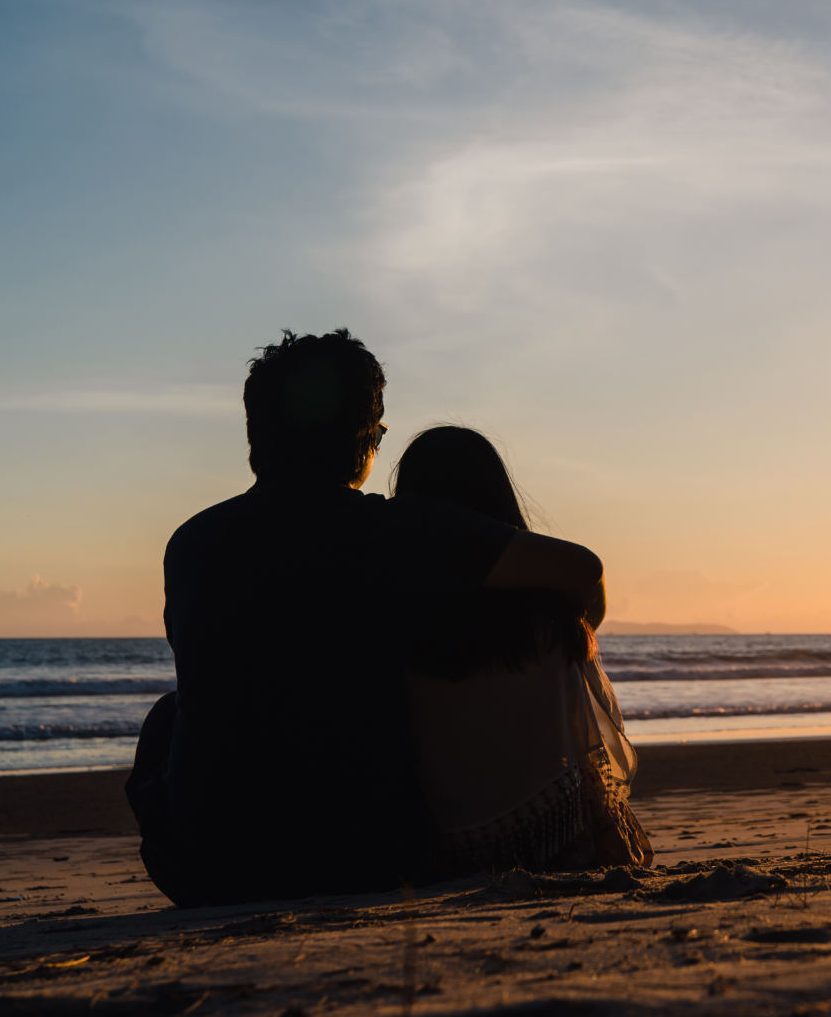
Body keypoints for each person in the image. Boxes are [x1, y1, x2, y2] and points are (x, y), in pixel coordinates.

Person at [126, 329, 607, 906]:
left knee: (169, 714)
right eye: (377, 431)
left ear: (256, 435)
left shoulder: (192, 543)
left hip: (204, 867)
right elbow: (582, 570)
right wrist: (568, 649)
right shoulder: (404, 530)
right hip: (365, 859)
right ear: (363, 441)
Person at [391, 426, 653, 874]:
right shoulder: (548, 615)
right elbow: (591, 590)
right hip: (553, 832)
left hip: (444, 837)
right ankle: (598, 829)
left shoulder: (396, 607)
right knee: (571, 646)